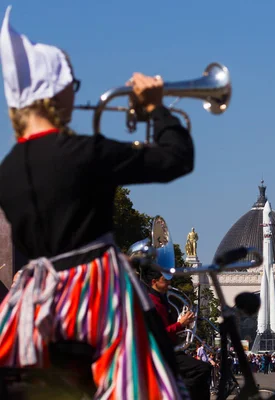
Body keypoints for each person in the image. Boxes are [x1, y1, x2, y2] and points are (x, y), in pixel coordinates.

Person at [0, 6, 193, 399]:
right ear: (55, 92)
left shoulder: (7, 170)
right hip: (97, 297)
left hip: (35, 306)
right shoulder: (85, 152)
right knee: (153, 375)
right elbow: (176, 157)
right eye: (73, 84)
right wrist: (156, 109)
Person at [140, 267, 212, 399]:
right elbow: (158, 333)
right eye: (165, 281)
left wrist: (185, 323)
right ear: (154, 282)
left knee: (201, 372)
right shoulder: (150, 303)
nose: (169, 284)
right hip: (160, 352)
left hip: (170, 349)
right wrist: (180, 324)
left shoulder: (163, 300)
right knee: (202, 369)